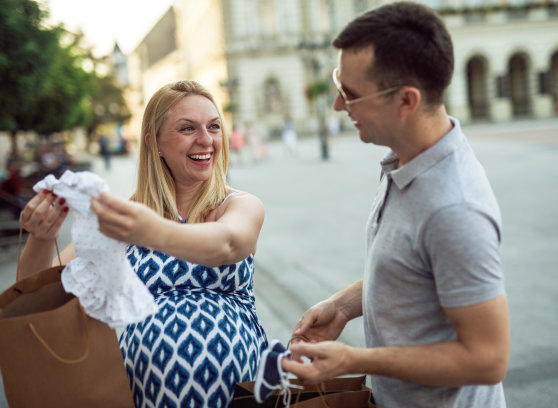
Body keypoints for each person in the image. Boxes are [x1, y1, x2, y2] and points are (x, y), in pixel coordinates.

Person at [281, 3, 510, 407]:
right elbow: (415, 271)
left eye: (349, 93)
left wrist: (354, 359)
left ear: (406, 101)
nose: (337, 105)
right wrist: (342, 306)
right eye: (339, 84)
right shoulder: (406, 160)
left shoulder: (453, 207)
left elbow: (487, 359)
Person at [17, 80, 268, 407]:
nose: (206, 140)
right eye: (188, 128)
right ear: (154, 143)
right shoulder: (125, 217)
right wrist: (41, 237)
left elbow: (230, 244)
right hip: (147, 394)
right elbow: (35, 295)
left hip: (239, 394)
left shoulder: (239, 204)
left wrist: (150, 230)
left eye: (214, 127)